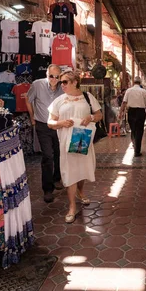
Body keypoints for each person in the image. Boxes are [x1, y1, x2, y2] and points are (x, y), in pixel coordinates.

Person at [47, 71, 103, 223]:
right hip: (66, 141)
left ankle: (80, 191)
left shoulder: (87, 97)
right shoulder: (59, 100)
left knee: (82, 168)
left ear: (75, 82)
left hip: (83, 138)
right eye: (60, 82)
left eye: (64, 82)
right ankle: (72, 206)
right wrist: (61, 123)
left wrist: (90, 117)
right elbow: (50, 122)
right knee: (69, 172)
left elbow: (99, 115)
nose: (61, 85)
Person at [26, 64, 64, 203]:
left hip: (59, 125)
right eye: (51, 76)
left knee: (59, 153)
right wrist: (32, 116)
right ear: (46, 75)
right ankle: (47, 189)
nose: (54, 79)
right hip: (42, 125)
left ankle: (56, 178)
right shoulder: (37, 85)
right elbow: (28, 100)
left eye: (56, 76)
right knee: (48, 155)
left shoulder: (63, 87)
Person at [120, 76, 146, 157]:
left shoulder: (128, 91)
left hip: (131, 112)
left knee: (133, 129)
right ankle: (137, 150)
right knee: (139, 131)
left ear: (133, 82)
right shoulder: (143, 91)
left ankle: (134, 143)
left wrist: (121, 112)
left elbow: (124, 102)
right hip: (141, 112)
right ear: (140, 83)